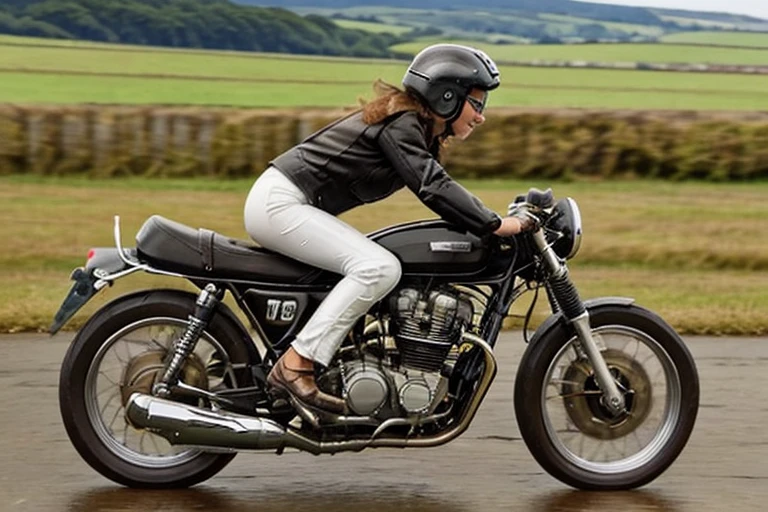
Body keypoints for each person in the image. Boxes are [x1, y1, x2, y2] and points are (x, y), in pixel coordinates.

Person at [244, 43, 535, 415]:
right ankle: (295, 365)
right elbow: (432, 186)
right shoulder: (402, 123)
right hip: (280, 204)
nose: (481, 116)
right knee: (378, 267)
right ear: (446, 96)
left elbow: (438, 184)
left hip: (287, 202)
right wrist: (496, 224)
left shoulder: (411, 126)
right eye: (476, 104)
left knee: (378, 264)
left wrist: (482, 218)